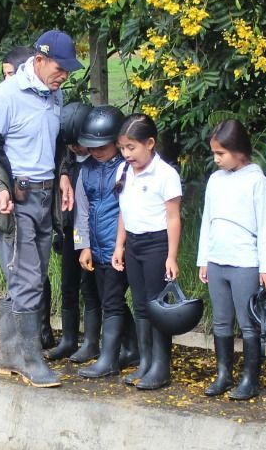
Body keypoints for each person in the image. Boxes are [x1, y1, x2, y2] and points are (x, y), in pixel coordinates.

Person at [0, 30, 83, 387]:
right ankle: (31, 361)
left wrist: (64, 175)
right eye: (59, 67)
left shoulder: (54, 94)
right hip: (14, 200)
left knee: (25, 277)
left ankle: (9, 356)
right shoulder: (5, 96)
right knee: (28, 279)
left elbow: (55, 144)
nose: (64, 75)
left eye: (68, 69)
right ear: (39, 60)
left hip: (45, 198)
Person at [197, 119, 266, 400]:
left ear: (239, 150)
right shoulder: (215, 180)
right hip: (217, 260)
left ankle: (250, 377)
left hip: (245, 261)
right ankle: (224, 373)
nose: (216, 159)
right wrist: (203, 258)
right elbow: (207, 220)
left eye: (221, 154)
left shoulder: (257, 181)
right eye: (214, 154)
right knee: (221, 320)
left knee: (248, 322)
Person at [112, 113, 183, 391]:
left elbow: (173, 218)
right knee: (140, 305)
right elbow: (123, 211)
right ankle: (145, 361)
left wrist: (172, 256)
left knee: (158, 308)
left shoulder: (166, 175)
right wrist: (120, 245)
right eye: (122, 148)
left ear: (150, 143)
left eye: (132, 148)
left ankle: (161, 367)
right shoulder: (123, 172)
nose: (126, 154)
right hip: (134, 243)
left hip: (157, 245)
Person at [72, 105, 137, 378]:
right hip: (95, 248)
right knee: (111, 300)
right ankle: (132, 348)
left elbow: (126, 208)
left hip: (118, 248)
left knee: (111, 301)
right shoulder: (85, 170)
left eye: (102, 146)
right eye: (92, 146)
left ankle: (109, 358)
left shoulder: (125, 169)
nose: (96, 151)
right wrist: (82, 245)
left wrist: (119, 247)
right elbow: (81, 210)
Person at [47, 103, 99, 361]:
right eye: (70, 143)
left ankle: (91, 341)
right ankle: (68, 338)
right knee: (68, 284)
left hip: (91, 232)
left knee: (89, 286)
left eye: (78, 142)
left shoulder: (96, 160)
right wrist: (64, 172)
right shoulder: (66, 158)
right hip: (70, 229)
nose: (75, 148)